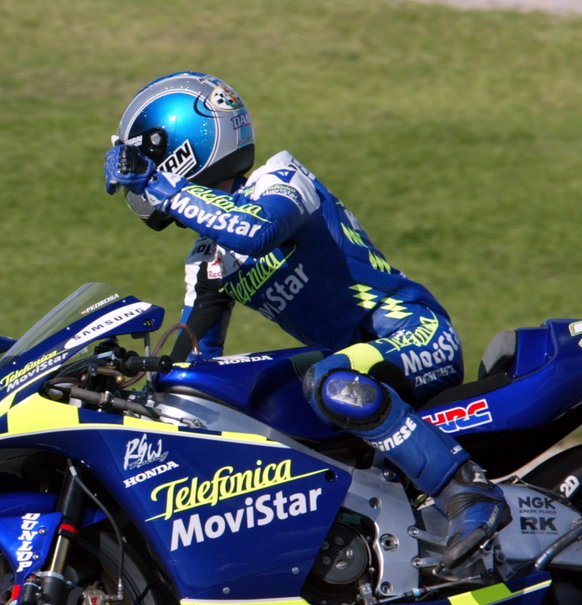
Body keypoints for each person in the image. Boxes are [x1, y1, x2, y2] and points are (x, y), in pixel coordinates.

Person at [101, 71, 506, 578]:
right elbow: (192, 362)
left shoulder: (284, 180)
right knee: (265, 402)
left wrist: (164, 188)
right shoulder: (207, 259)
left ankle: (470, 492)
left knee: (331, 383)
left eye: (143, 158)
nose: (134, 177)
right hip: (353, 369)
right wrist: (124, 382)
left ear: (180, 150)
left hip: (412, 335)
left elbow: (255, 229)